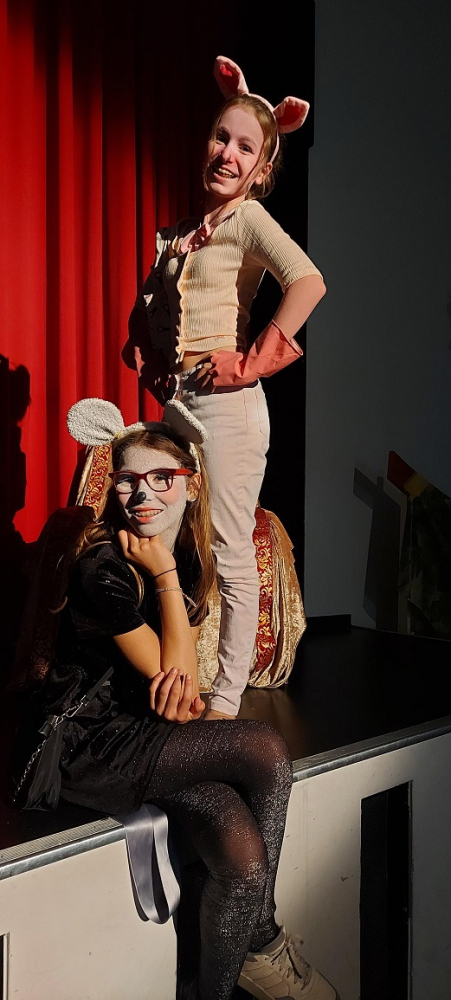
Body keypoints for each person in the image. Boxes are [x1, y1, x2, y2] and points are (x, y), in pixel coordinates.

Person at [17, 396, 337, 1000]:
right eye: (128, 480)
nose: (143, 494)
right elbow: (174, 677)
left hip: (146, 734)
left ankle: (215, 985)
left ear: (191, 486)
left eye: (162, 478)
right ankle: (262, 937)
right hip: (86, 745)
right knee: (265, 748)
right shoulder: (103, 568)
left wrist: (169, 577)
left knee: (241, 854)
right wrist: (163, 577)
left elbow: (181, 693)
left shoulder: (182, 555)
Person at [132, 55, 327, 721]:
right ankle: (174, 672)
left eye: (245, 147)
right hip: (180, 403)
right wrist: (148, 351)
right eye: (222, 137)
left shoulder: (247, 220)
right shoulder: (178, 235)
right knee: (166, 539)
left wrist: (252, 362)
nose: (228, 153)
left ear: (260, 169)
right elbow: (149, 308)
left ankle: (224, 698)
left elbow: (307, 282)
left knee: (228, 550)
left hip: (229, 409)